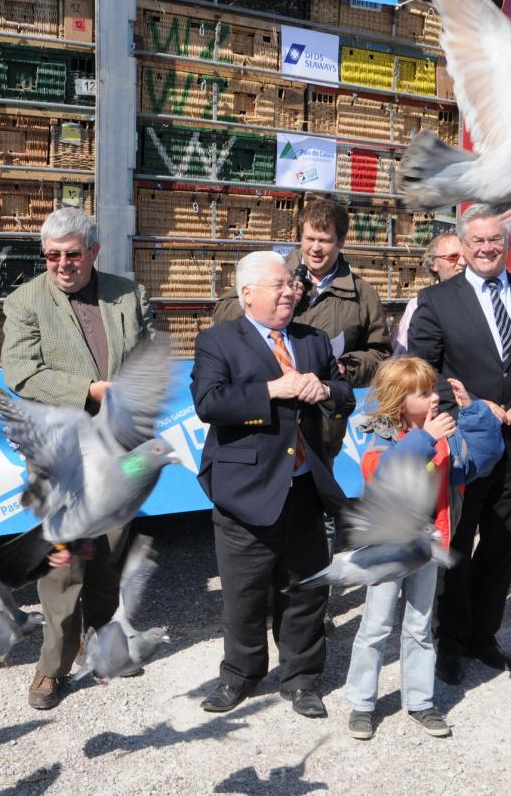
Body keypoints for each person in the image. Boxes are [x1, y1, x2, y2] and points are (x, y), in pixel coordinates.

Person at [1, 207, 155, 710]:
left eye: (71, 254)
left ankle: (101, 641)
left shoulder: (128, 294)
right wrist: (89, 390)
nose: (61, 264)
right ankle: (53, 666)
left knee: (109, 554)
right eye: (51, 256)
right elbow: (20, 373)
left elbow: (148, 357)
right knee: (63, 564)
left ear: (94, 251)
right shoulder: (26, 300)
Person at [191, 250, 355, 718]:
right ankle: (240, 674)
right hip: (245, 491)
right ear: (247, 294)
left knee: (305, 590)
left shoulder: (313, 340)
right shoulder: (218, 342)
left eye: (292, 285)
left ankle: (301, 678)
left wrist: (323, 390)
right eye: (279, 285)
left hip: (304, 489)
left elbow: (343, 394)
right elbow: (209, 402)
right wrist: (271, 390)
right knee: (243, 593)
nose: (291, 291)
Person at [407, 204, 511, 684]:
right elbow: (423, 371)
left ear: (507, 242)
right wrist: (472, 408)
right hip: (465, 450)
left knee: (503, 545)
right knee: (456, 545)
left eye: (494, 239)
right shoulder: (437, 302)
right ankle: (450, 641)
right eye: (476, 241)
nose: (485, 248)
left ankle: (484, 636)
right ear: (463, 246)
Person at [342, 356, 502, 740]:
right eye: (423, 392)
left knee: (419, 626)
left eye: (434, 390)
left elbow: (484, 457)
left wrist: (474, 413)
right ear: (399, 401)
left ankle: (419, 701)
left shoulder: (445, 435)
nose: (434, 398)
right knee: (376, 625)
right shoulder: (380, 437)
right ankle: (362, 703)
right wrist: (426, 438)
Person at [213, 199, 389, 455]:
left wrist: (346, 369)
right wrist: (275, 299)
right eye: (309, 239)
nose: (315, 248)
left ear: (340, 242)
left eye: (324, 240)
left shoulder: (361, 294)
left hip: (320, 427)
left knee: (314, 488)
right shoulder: (271, 273)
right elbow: (223, 314)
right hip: (262, 418)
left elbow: (380, 353)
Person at [392, 232, 466, 355]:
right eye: (453, 257)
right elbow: (400, 354)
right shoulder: (418, 305)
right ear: (434, 264)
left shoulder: (481, 298)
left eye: (465, 256)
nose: (463, 262)